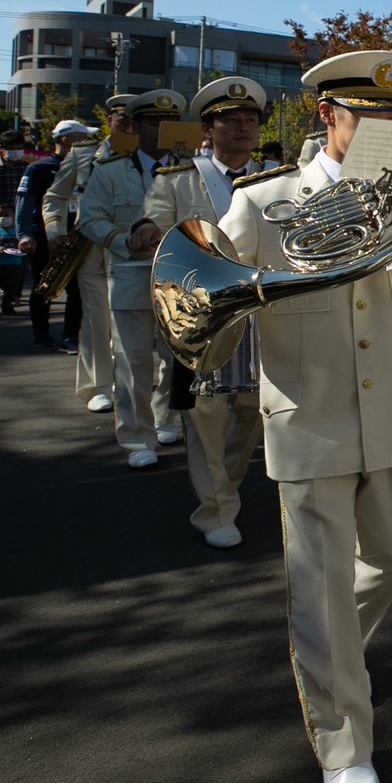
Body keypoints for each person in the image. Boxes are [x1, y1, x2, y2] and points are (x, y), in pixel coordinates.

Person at [217, 49, 392, 783]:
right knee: (321, 588)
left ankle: (329, 658)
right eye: (369, 117)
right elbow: (218, 298)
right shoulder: (263, 204)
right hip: (311, 418)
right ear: (328, 116)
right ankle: (344, 744)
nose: (385, 132)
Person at [139, 78, 271, 545]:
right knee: (205, 414)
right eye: (231, 120)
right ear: (208, 129)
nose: (243, 127)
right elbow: (152, 219)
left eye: (250, 120)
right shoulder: (175, 181)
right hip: (200, 315)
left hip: (259, 315)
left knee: (252, 410)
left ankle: (226, 486)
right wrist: (147, 233)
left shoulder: (278, 177)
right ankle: (215, 510)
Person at [79, 90, 185, 468]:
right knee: (132, 360)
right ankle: (136, 436)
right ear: (137, 127)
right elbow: (89, 218)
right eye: (153, 123)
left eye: (167, 123)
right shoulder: (109, 170)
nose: (160, 131)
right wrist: (123, 241)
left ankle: (164, 418)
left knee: (175, 360)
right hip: (128, 274)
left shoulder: (190, 171)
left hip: (176, 279)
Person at [46, 96, 131, 413]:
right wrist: (55, 232)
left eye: (135, 120)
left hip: (134, 249)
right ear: (110, 121)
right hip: (92, 248)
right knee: (97, 318)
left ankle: (126, 379)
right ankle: (98, 385)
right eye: (122, 119)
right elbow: (55, 196)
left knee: (130, 319)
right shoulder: (84, 155)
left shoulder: (149, 158)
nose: (128, 126)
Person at [18, 122, 92, 353]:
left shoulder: (89, 166)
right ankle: (41, 332)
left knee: (77, 289)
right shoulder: (39, 168)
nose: (87, 142)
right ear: (66, 140)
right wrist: (24, 234)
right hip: (44, 235)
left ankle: (70, 335)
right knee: (44, 285)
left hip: (78, 235)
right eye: (81, 137)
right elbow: (25, 202)